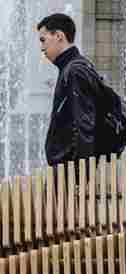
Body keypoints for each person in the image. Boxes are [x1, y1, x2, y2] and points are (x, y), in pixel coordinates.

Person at [37, 13, 101, 174]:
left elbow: (84, 125)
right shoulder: (72, 68)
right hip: (68, 172)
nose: (41, 47)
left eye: (43, 39)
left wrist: (81, 176)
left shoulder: (74, 70)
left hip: (71, 176)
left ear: (59, 36)